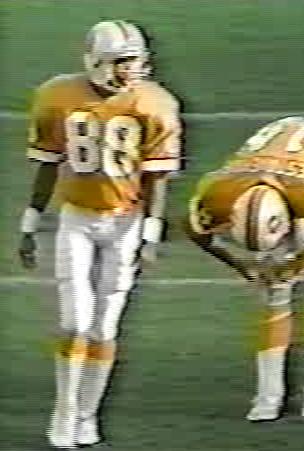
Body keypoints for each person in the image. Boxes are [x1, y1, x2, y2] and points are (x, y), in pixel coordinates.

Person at [18, 20, 182, 449]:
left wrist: (151, 233)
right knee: (74, 323)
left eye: (135, 61)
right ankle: (63, 414)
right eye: (123, 62)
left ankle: (87, 417)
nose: (132, 70)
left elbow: (157, 177)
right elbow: (47, 163)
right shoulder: (58, 95)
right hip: (77, 217)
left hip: (127, 221)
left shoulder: (155, 102)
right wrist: (31, 223)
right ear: (97, 63)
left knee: (104, 329)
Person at [186, 116, 304, 422]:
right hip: (270, 175)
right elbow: (197, 232)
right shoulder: (216, 194)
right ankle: (268, 396)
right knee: (272, 290)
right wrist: (242, 264)